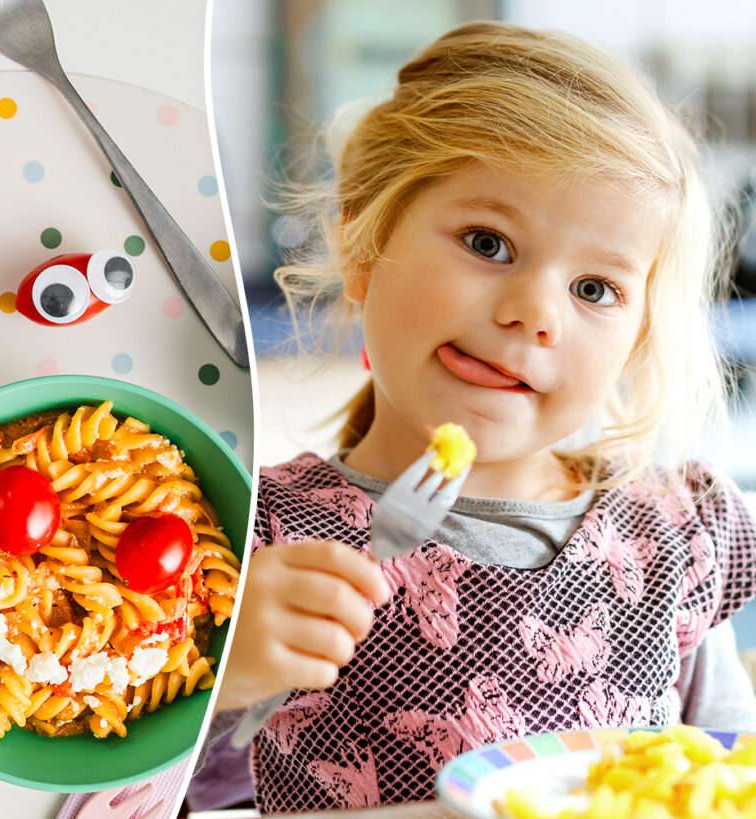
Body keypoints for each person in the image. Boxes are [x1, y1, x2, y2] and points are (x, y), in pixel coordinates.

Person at [197, 20, 756, 813]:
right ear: (363, 243)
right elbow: (111, 796)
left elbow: (726, 776)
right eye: (488, 242)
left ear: (635, 344)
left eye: (595, 289)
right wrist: (216, 679)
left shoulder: (671, 539)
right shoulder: (254, 541)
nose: (534, 313)